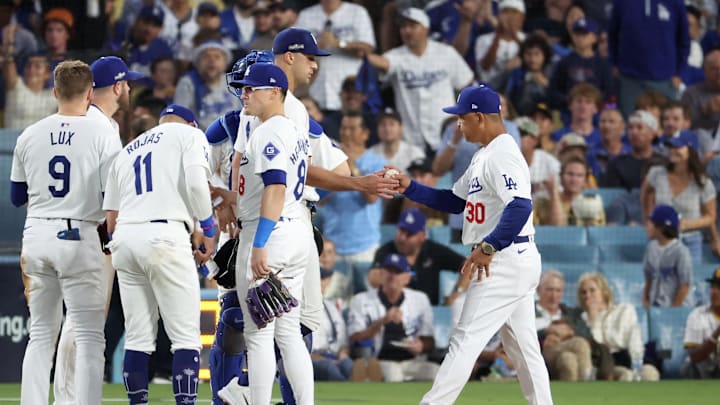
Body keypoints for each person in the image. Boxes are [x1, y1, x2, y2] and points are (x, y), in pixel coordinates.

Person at [390, 84, 553, 404]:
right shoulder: (485, 154)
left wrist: (490, 246)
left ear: (480, 117)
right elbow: (453, 200)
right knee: (524, 349)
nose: (458, 125)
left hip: (504, 258)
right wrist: (410, 187)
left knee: (465, 340)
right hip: (512, 256)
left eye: (462, 119)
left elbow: (520, 206)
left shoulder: (504, 153)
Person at [12, 60, 119, 405]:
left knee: (41, 334)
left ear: (55, 91)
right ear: (90, 93)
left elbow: (16, 196)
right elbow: (113, 194)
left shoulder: (30, 133)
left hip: (37, 236)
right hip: (80, 235)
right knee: (89, 337)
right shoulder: (102, 131)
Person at [103, 104, 213, 404]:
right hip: (165, 234)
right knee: (186, 338)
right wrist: (208, 227)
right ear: (191, 123)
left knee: (138, 337)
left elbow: (110, 221)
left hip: (125, 239)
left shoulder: (127, 151)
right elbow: (195, 184)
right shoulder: (189, 136)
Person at [52, 54, 142, 405]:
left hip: (62, 225)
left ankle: (68, 395)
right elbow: (111, 193)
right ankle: (70, 397)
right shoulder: (102, 126)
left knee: (76, 320)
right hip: (89, 231)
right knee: (83, 320)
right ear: (117, 85)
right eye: (127, 82)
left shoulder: (79, 119)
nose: (130, 88)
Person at [231, 63, 314, 405]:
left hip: (270, 234)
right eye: (244, 87)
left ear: (275, 92)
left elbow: (276, 186)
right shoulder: (292, 129)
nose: (245, 93)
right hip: (295, 233)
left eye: (253, 88)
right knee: (289, 333)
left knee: (259, 336)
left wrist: (260, 244)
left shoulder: (268, 131)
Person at [365, 7, 474, 153]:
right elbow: (385, 63)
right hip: (412, 140)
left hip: (446, 134)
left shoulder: (446, 53)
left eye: (412, 26)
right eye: (403, 27)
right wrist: (359, 55)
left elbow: (467, 85)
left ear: (426, 29)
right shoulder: (397, 55)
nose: (407, 31)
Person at [348, 253, 440, 382]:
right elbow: (354, 338)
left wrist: (421, 345)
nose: (392, 276)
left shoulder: (420, 299)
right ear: (381, 274)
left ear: (407, 278)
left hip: (412, 360)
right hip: (379, 359)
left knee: (437, 373)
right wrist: (382, 322)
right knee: (393, 373)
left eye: (398, 272)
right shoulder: (361, 300)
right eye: (388, 271)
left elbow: (429, 340)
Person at [641, 136, 719, 260]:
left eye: (678, 147)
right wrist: (648, 218)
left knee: (690, 278)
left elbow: (710, 216)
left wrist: (687, 224)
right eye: (671, 147)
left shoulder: (703, 182)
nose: (673, 151)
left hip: (690, 240)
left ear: (690, 151)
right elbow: (646, 192)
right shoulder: (657, 173)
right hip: (660, 238)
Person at [608, 0, 689, 118]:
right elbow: (612, 34)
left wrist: (679, 72)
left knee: (664, 125)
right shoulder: (622, 2)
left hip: (665, 79)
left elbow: (684, 40)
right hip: (629, 79)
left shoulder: (675, 2)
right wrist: (613, 63)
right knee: (631, 125)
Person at [369, 208, 465, 305]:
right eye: (401, 231)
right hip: (395, 309)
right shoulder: (386, 251)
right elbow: (373, 278)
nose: (402, 238)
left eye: (409, 234)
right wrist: (396, 280)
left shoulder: (432, 250)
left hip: (428, 310)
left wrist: (457, 292)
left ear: (422, 236)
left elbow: (468, 266)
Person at [295, 0, 376, 114]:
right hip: (315, 94)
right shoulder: (306, 15)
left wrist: (339, 44)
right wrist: (316, 46)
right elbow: (294, 52)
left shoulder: (357, 12)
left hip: (349, 94)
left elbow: (368, 49)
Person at [577, 272, 660, 381]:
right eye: (584, 292)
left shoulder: (624, 310)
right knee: (626, 376)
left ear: (603, 291)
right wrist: (594, 319)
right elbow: (599, 346)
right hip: (607, 363)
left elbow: (633, 337)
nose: (588, 295)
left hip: (629, 357)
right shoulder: (584, 318)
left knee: (650, 374)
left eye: (592, 290)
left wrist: (636, 363)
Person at [535, 270, 598, 382]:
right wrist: (546, 331)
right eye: (550, 290)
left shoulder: (571, 314)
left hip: (562, 356)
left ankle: (573, 397)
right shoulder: (530, 312)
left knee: (568, 360)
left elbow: (588, 335)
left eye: (558, 290)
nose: (554, 295)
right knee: (580, 344)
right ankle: (589, 383)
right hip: (541, 355)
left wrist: (570, 332)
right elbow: (520, 335)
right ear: (538, 290)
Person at [643, 205, 693, 308]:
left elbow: (685, 285)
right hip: (656, 306)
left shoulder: (681, 251)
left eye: (650, 223)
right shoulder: (651, 248)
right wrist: (646, 300)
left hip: (679, 308)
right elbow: (648, 278)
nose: (647, 226)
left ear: (661, 227)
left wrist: (672, 311)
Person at [311, 267, 354, 381]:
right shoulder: (299, 307)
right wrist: (324, 359)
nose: (324, 282)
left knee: (348, 364)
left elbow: (344, 341)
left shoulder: (332, 307)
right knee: (330, 368)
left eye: (325, 279)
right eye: (320, 279)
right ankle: (349, 388)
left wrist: (343, 354)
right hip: (313, 357)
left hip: (334, 355)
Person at [540, 155, 605, 226]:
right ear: (561, 176)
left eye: (579, 175)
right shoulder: (544, 202)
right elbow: (556, 229)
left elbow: (597, 232)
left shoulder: (593, 203)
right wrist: (553, 192)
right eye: (570, 174)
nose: (574, 179)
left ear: (585, 180)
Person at [683, 268, 720, 378]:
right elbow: (694, 356)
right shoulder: (697, 315)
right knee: (690, 367)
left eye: (719, 287)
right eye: (713, 287)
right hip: (700, 371)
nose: (714, 291)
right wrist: (715, 335)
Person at [369, 108, 426, 173]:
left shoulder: (414, 153)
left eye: (392, 124)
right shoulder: (370, 154)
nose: (387, 128)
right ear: (377, 129)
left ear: (401, 128)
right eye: (383, 124)